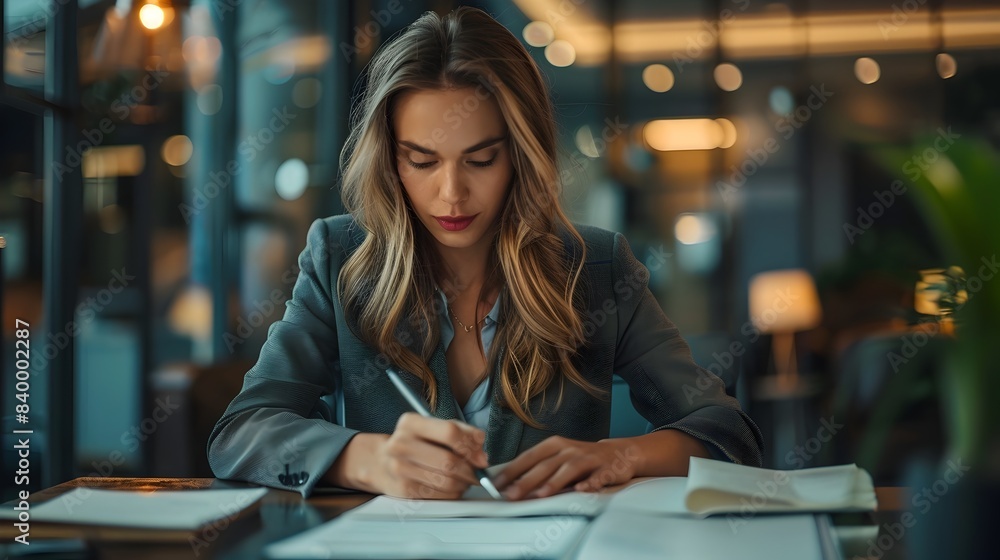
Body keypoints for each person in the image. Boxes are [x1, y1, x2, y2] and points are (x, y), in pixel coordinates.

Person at [208, 6, 762, 501]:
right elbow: (242, 432)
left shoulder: (597, 267)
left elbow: (726, 432)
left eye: (480, 159)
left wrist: (621, 456)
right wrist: (367, 460)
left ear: (521, 156)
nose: (451, 194)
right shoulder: (340, 259)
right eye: (422, 161)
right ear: (390, 161)